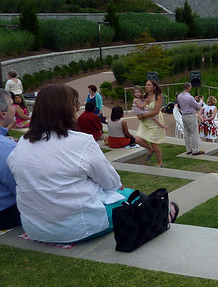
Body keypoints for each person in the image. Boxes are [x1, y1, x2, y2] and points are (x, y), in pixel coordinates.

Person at [7, 84, 178, 244]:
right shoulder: (81, 142)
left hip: (35, 228)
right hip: (77, 228)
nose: (77, 109)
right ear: (66, 110)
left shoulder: (22, 145)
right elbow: (112, 183)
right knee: (130, 196)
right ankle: (163, 215)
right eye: (74, 104)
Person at [0, 89, 20, 230]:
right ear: (3, 113)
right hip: (7, 214)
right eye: (12, 105)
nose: (15, 108)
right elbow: (19, 186)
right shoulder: (7, 148)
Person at [135, 80, 166, 167]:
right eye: (146, 85)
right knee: (138, 139)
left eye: (149, 85)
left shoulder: (158, 96)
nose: (146, 86)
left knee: (154, 144)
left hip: (155, 121)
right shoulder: (144, 96)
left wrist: (143, 116)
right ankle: (150, 150)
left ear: (154, 87)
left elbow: (156, 111)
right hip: (145, 122)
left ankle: (160, 162)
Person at [176, 82, 204, 156]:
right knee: (194, 133)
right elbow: (197, 106)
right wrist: (201, 100)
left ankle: (188, 149)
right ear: (189, 87)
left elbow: (187, 103)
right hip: (190, 115)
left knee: (187, 133)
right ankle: (195, 150)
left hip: (184, 115)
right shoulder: (189, 97)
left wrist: (194, 99)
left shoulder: (179, 96)